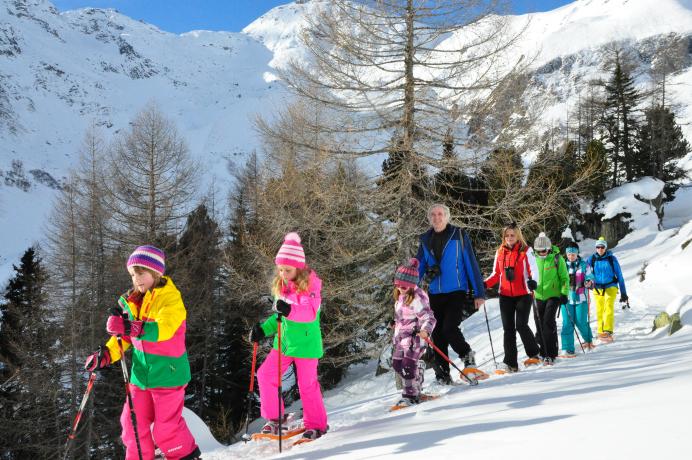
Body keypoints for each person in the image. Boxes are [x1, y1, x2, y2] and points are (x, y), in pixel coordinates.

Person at [84, 245, 201, 460]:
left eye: (141, 273)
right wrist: (106, 354)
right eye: (132, 275)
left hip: (168, 375)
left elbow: (163, 330)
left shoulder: (171, 299)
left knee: (165, 431)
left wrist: (129, 327)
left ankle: (187, 457)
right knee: (131, 426)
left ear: (157, 272)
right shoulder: (133, 301)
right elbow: (124, 338)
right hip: (140, 377)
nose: (137, 279)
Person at [249, 232, 328, 442]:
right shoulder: (281, 286)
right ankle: (276, 419)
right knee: (265, 375)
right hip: (283, 344)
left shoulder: (312, 286)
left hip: (306, 345)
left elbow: (309, 314)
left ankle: (317, 425)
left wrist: (288, 310)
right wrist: (263, 329)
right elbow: (279, 316)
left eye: (287, 269)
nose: (283, 273)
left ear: (299, 268)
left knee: (307, 385)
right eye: (280, 269)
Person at [415, 204, 486, 384]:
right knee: (437, 333)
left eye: (440, 214)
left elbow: (471, 264)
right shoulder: (425, 239)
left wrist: (479, 293)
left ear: (447, 217)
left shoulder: (459, 235)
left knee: (449, 327)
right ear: (429, 218)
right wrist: (411, 291)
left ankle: (467, 356)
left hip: (457, 291)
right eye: (433, 214)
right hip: (435, 292)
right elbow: (418, 267)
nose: (436, 217)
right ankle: (443, 374)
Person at [484, 223, 541, 373]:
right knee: (508, 329)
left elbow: (534, 271)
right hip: (505, 295)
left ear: (518, 236)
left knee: (521, 325)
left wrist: (534, 281)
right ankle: (511, 363)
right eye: (507, 235)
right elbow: (496, 274)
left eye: (512, 235)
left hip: (523, 294)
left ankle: (534, 353)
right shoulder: (500, 252)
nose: (509, 238)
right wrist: (484, 284)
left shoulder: (526, 251)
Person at [391, 258, 437, 406]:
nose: (400, 288)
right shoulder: (400, 297)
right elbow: (402, 317)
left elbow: (429, 317)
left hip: (415, 338)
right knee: (397, 365)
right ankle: (419, 371)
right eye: (398, 285)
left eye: (404, 286)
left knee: (407, 366)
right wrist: (395, 323)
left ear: (411, 285)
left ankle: (410, 395)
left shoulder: (417, 298)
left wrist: (425, 330)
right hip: (400, 338)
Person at [532, 232, 569, 364]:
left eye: (544, 250)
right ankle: (543, 351)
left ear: (549, 248)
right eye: (539, 251)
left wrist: (564, 293)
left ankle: (551, 353)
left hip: (553, 295)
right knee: (539, 323)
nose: (542, 253)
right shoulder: (533, 259)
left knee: (548, 322)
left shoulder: (557, 258)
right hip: (537, 295)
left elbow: (565, 278)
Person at [588, 237, 628, 342]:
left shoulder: (612, 259)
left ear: (605, 248)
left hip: (611, 286)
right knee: (600, 309)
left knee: (608, 306)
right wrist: (587, 282)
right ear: (596, 248)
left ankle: (608, 331)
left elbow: (620, 276)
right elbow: (586, 273)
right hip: (597, 288)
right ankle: (601, 332)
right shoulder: (591, 259)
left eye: (602, 247)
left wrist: (623, 293)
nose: (600, 249)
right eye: (598, 247)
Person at [561, 241, 595, 354]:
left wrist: (589, 281)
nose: (571, 257)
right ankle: (568, 348)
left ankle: (588, 340)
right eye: (569, 254)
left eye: (573, 254)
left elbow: (590, 275)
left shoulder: (584, 265)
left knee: (580, 322)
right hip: (566, 299)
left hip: (581, 298)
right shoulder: (562, 265)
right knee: (567, 323)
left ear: (577, 254)